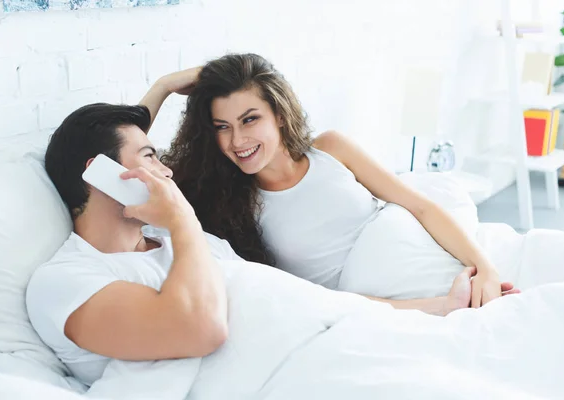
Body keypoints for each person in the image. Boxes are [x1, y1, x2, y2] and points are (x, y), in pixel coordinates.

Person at [25, 102, 515, 387]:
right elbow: (200, 330)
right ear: (100, 174)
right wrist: (183, 221)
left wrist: (436, 309)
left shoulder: (182, 244)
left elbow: (298, 301)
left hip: (340, 341)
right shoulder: (65, 281)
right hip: (290, 377)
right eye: (150, 157)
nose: (167, 171)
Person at [147, 53, 511, 313]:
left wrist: (487, 269)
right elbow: (118, 163)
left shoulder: (330, 149)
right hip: (404, 302)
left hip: (427, 254)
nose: (238, 140)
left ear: (278, 114)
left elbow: (421, 206)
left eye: (250, 119)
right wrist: (163, 87)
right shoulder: (229, 206)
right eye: (222, 127)